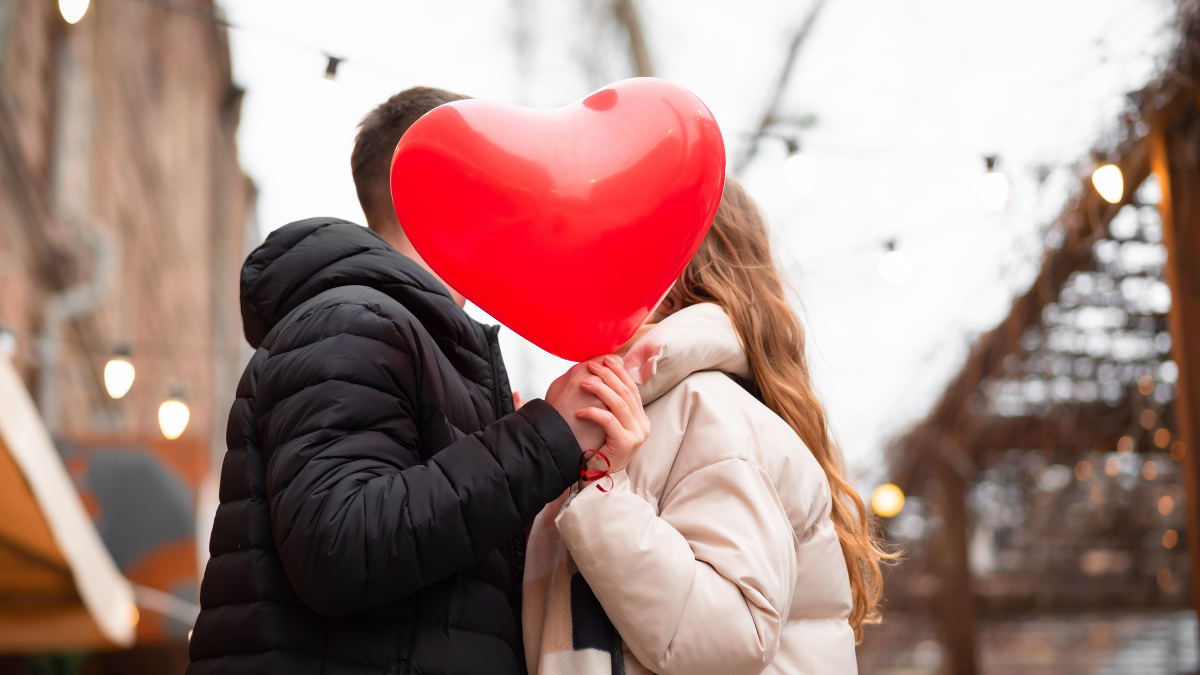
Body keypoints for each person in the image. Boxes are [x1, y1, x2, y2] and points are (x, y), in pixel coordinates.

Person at [188, 87, 626, 675]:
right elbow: (339, 544)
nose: (513, 213)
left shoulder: (404, 335)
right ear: (442, 189)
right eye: (494, 186)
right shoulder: (354, 323)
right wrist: (541, 439)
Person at [523, 177, 890, 675]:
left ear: (671, 266)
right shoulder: (664, 406)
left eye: (624, 244)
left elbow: (730, 635)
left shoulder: (708, 406)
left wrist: (602, 491)